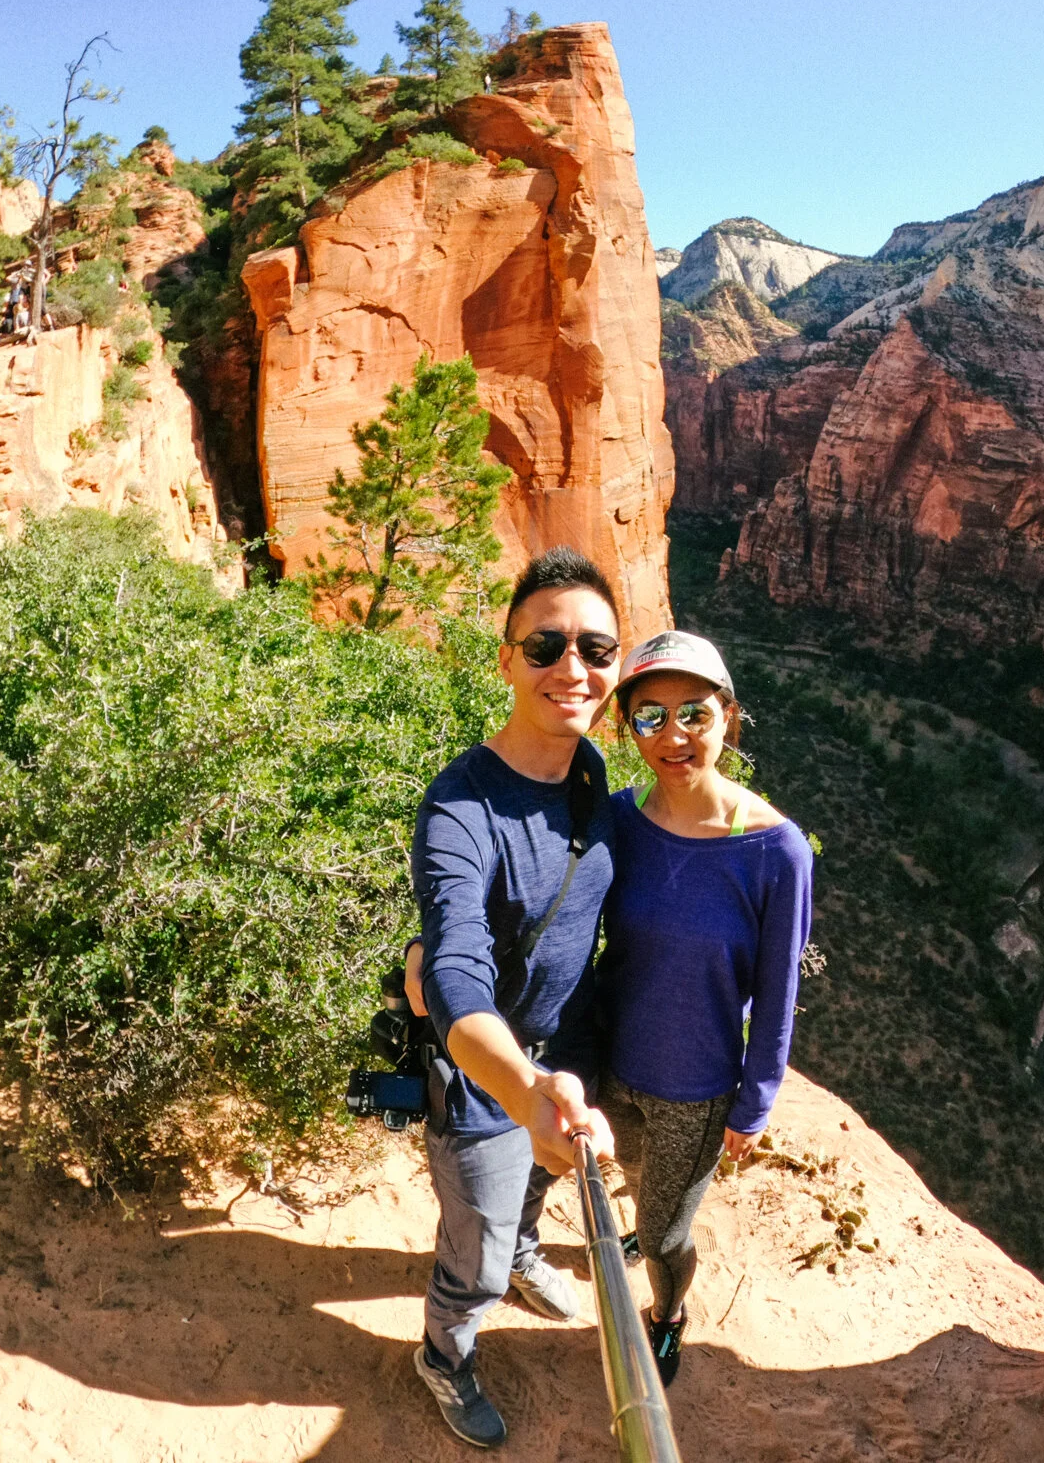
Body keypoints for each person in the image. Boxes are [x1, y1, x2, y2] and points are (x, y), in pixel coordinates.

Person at [405, 546, 622, 1449]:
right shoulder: (460, 807)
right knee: (478, 1249)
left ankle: (525, 1248)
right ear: (506, 660)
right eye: (545, 647)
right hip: (489, 1081)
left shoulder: (591, 777)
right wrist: (524, 1089)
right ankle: (446, 1351)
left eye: (595, 649)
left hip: (567, 1064)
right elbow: (456, 967)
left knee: (533, 1190)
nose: (573, 668)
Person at [599, 629, 814, 1387]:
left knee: (664, 1237)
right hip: (611, 1067)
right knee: (635, 1175)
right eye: (650, 716)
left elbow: (779, 991)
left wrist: (754, 1104)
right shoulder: (618, 820)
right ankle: (648, 1229)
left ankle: (669, 1315)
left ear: (728, 715)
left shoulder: (776, 852)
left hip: (695, 1086)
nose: (674, 735)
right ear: (628, 727)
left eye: (693, 712)